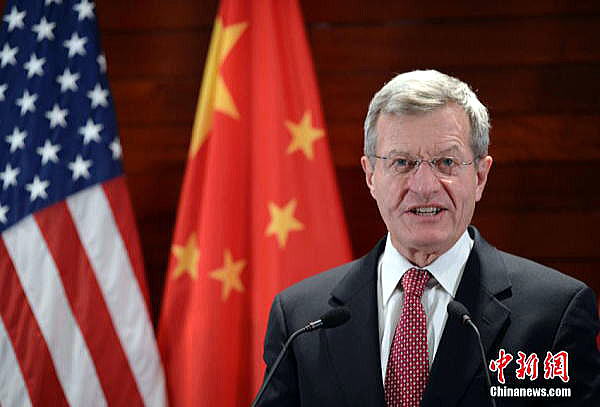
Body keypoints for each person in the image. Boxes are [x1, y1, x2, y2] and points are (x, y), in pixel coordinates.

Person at [256, 70, 600, 406]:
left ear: (480, 177)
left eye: (446, 162)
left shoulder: (554, 314)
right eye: (402, 163)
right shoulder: (301, 318)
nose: (424, 187)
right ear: (371, 176)